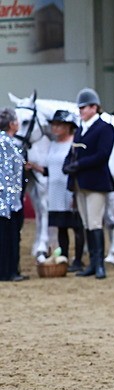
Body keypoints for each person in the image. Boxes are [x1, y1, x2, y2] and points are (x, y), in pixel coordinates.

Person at [25, 110, 85, 272]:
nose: (55, 128)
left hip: (70, 190)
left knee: (77, 227)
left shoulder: (75, 144)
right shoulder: (52, 145)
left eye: (59, 125)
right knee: (61, 227)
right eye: (54, 125)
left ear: (69, 127)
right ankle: (63, 256)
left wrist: (74, 190)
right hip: (55, 191)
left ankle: (78, 259)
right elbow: (50, 170)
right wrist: (35, 167)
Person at [65, 88, 114, 279]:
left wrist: (79, 164)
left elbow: (102, 155)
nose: (81, 112)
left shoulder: (105, 128)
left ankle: (100, 263)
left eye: (84, 108)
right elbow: (73, 152)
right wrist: (67, 163)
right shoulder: (80, 130)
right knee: (86, 223)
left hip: (95, 182)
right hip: (80, 182)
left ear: (94, 108)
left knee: (95, 222)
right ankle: (93, 264)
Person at [0, 108, 26, 282]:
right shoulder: (7, 143)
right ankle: (8, 271)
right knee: (9, 237)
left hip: (6, 200)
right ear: (11, 124)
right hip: (7, 202)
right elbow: (8, 174)